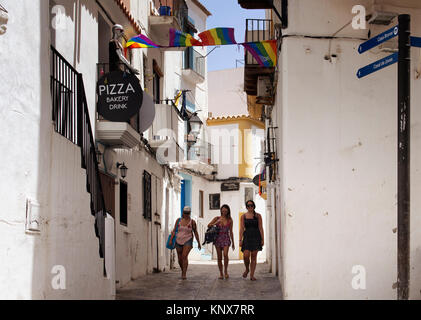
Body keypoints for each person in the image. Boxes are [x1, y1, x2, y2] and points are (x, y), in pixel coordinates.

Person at [170, 206, 201, 280]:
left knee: (184, 256)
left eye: (188, 213)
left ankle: (184, 274)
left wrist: (198, 243)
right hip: (178, 240)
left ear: (190, 213)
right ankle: (183, 270)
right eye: (185, 213)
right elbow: (174, 230)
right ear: (183, 213)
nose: (186, 214)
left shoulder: (192, 222)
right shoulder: (178, 220)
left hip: (188, 240)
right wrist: (171, 239)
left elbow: (195, 232)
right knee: (180, 259)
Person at [208, 205, 235, 279]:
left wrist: (233, 243)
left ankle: (225, 271)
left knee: (225, 255)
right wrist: (216, 222)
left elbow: (231, 232)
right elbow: (209, 225)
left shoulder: (230, 220)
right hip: (217, 239)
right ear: (221, 211)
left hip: (226, 238)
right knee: (219, 257)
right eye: (223, 210)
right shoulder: (217, 218)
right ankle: (221, 273)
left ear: (228, 211)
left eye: (226, 210)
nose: (224, 212)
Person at [240, 200, 264, 281]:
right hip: (247, 237)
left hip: (256, 237)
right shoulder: (243, 216)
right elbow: (241, 228)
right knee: (246, 255)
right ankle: (247, 269)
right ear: (246, 207)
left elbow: (260, 228)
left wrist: (262, 239)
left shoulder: (258, 216)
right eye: (248, 205)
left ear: (254, 206)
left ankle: (252, 275)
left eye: (251, 205)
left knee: (254, 256)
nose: (250, 207)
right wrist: (240, 239)